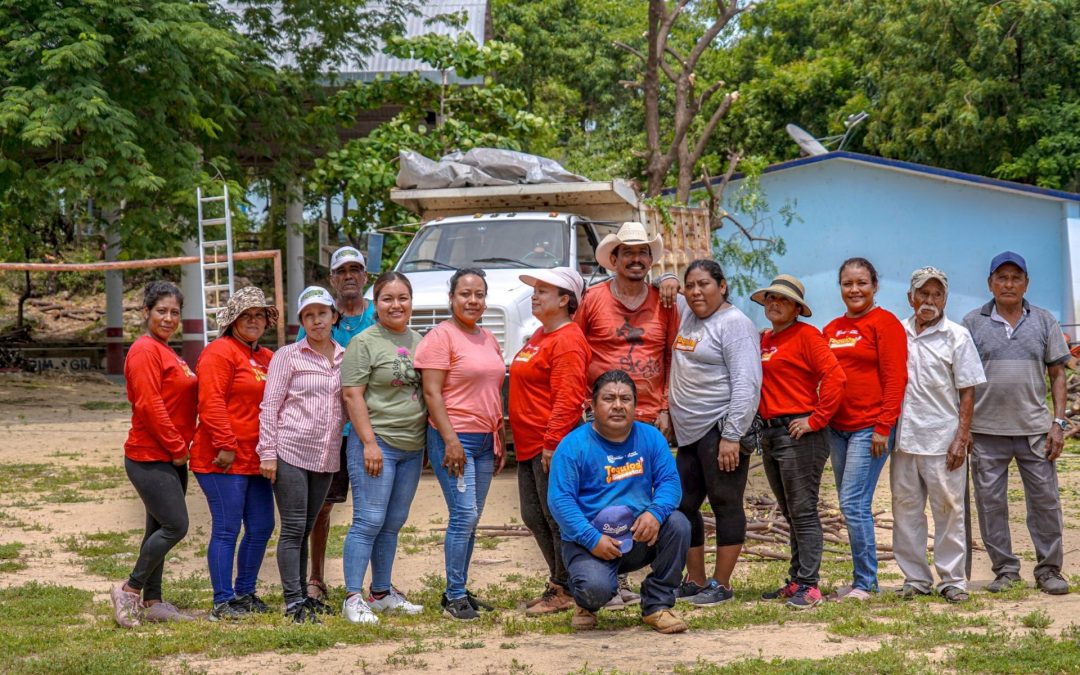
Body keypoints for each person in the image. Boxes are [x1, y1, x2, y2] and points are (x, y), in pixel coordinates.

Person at [574, 221, 679, 608]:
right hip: (600, 417)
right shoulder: (593, 300)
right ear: (614, 259)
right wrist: (580, 402)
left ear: (650, 260)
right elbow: (576, 350)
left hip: (649, 417)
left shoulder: (664, 302)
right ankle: (608, 577)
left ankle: (649, 580)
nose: (636, 259)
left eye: (642, 253)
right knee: (603, 495)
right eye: (628, 253)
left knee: (646, 498)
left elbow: (671, 356)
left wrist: (666, 406)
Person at [962, 251, 1071, 595]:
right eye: (1002, 278)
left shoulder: (1044, 321)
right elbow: (963, 380)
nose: (1008, 284)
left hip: (1035, 431)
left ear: (1026, 283)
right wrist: (964, 429)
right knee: (990, 504)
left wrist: (1058, 422)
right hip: (986, 432)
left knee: (1045, 502)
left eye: (1015, 278)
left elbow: (1057, 374)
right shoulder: (972, 323)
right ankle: (1006, 571)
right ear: (990, 283)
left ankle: (1049, 570)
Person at [548, 370, 690, 634]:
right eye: (609, 398)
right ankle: (585, 602)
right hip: (589, 543)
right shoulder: (572, 446)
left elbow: (670, 483)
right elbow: (560, 500)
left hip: (637, 537)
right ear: (593, 406)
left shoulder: (651, 438)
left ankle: (657, 605)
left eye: (625, 399)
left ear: (635, 405)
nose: (617, 405)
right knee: (595, 590)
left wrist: (655, 513)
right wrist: (591, 539)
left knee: (678, 523)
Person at [668, 260, 761, 606]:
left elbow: (747, 383)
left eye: (704, 284)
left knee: (725, 502)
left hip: (720, 428)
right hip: (688, 433)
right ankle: (695, 579)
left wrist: (732, 435)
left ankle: (721, 584)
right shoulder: (688, 314)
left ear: (722, 286)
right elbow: (663, 283)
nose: (696, 292)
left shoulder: (735, 324)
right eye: (689, 285)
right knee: (682, 504)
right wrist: (668, 278)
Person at [414, 268, 506, 621]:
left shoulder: (488, 337)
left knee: (472, 517)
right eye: (465, 293)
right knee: (464, 514)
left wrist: (498, 436)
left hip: (484, 440)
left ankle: (460, 589)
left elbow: (493, 390)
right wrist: (450, 440)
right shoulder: (441, 337)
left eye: (479, 294)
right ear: (451, 298)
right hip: (454, 438)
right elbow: (432, 392)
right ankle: (454, 596)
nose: (473, 300)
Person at [891, 267, 985, 604]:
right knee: (905, 510)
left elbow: (968, 390)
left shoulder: (957, 336)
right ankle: (916, 578)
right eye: (923, 293)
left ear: (945, 299)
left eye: (937, 294)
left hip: (943, 440)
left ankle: (953, 580)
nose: (929, 300)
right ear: (910, 297)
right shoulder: (896, 332)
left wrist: (962, 436)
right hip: (903, 440)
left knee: (949, 510)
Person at [752, 274, 846, 609]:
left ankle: (809, 584)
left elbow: (835, 377)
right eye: (771, 298)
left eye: (784, 300)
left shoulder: (807, 336)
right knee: (790, 511)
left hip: (799, 433)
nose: (775, 303)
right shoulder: (763, 339)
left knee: (803, 510)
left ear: (797, 309)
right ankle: (796, 580)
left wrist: (815, 420)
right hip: (770, 433)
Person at [340, 272, 427, 624]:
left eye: (402, 297)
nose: (396, 305)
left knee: (392, 522)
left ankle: (381, 593)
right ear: (376, 304)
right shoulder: (363, 342)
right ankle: (352, 598)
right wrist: (369, 443)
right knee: (369, 520)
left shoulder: (420, 340)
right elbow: (352, 395)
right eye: (388, 298)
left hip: (412, 447)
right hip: (378, 444)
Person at [257, 286, 347, 623]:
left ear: (333, 316)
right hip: (290, 450)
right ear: (302, 321)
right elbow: (270, 406)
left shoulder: (346, 357)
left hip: (326, 456)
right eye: (309, 315)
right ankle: (294, 601)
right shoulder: (288, 356)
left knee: (307, 526)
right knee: (294, 527)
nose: (316, 320)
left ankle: (302, 597)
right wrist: (268, 452)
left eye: (322, 313)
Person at [111, 281, 197, 628]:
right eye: (161, 310)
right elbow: (149, 405)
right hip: (150, 456)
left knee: (158, 528)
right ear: (146, 312)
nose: (169, 318)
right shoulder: (145, 350)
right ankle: (129, 589)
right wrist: (177, 448)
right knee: (176, 526)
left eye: (175, 312)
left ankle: (154, 601)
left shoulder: (167, 351)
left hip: (171, 457)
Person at [822, 257, 908, 601]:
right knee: (851, 503)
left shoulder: (885, 323)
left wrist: (884, 426)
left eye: (861, 283)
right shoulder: (831, 329)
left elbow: (895, 378)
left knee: (853, 502)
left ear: (874, 286)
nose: (854, 289)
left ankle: (866, 583)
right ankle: (861, 580)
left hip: (869, 428)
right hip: (836, 428)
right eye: (848, 283)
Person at [190, 287, 277, 620]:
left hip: (256, 459)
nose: (254, 321)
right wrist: (226, 444)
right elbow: (210, 402)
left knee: (262, 526)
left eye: (259, 315)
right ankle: (222, 601)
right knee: (227, 528)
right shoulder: (219, 352)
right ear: (233, 320)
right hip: (221, 458)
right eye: (246, 315)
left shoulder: (267, 357)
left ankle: (245, 592)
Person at [509, 267, 591, 616]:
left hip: (551, 444)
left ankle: (568, 587)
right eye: (535, 290)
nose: (535, 295)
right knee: (534, 515)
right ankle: (560, 582)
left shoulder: (568, 339)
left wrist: (553, 442)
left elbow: (569, 397)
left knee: (556, 516)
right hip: (528, 444)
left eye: (543, 290)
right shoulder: (541, 335)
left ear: (564, 300)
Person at [304, 246, 376, 608]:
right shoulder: (320, 316)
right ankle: (316, 578)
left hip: (370, 430)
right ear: (332, 279)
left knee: (374, 508)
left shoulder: (379, 314)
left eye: (355, 269)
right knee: (321, 508)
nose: (349, 276)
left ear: (365, 276)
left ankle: (379, 583)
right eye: (342, 271)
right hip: (330, 431)